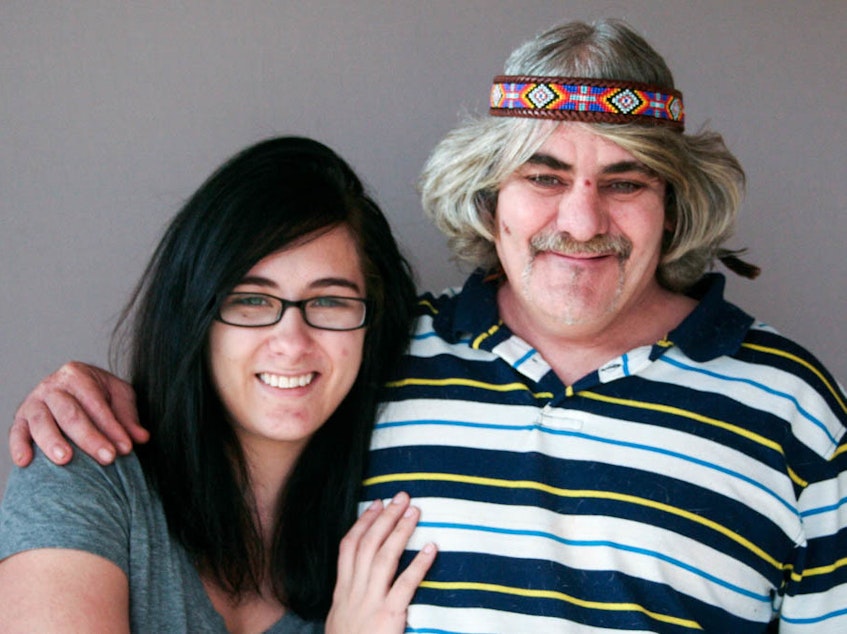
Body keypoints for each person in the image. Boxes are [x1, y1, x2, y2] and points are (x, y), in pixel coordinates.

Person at [9, 18, 847, 632]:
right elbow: (259, 382)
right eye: (543, 175)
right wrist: (102, 392)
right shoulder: (387, 353)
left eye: (626, 182)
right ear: (490, 199)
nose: (582, 218)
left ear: (673, 205)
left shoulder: (793, 405)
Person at [0, 136, 437, 632]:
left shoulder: (393, 518)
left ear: (370, 328)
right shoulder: (86, 473)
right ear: (195, 317)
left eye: (330, 301)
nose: (292, 342)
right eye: (250, 301)